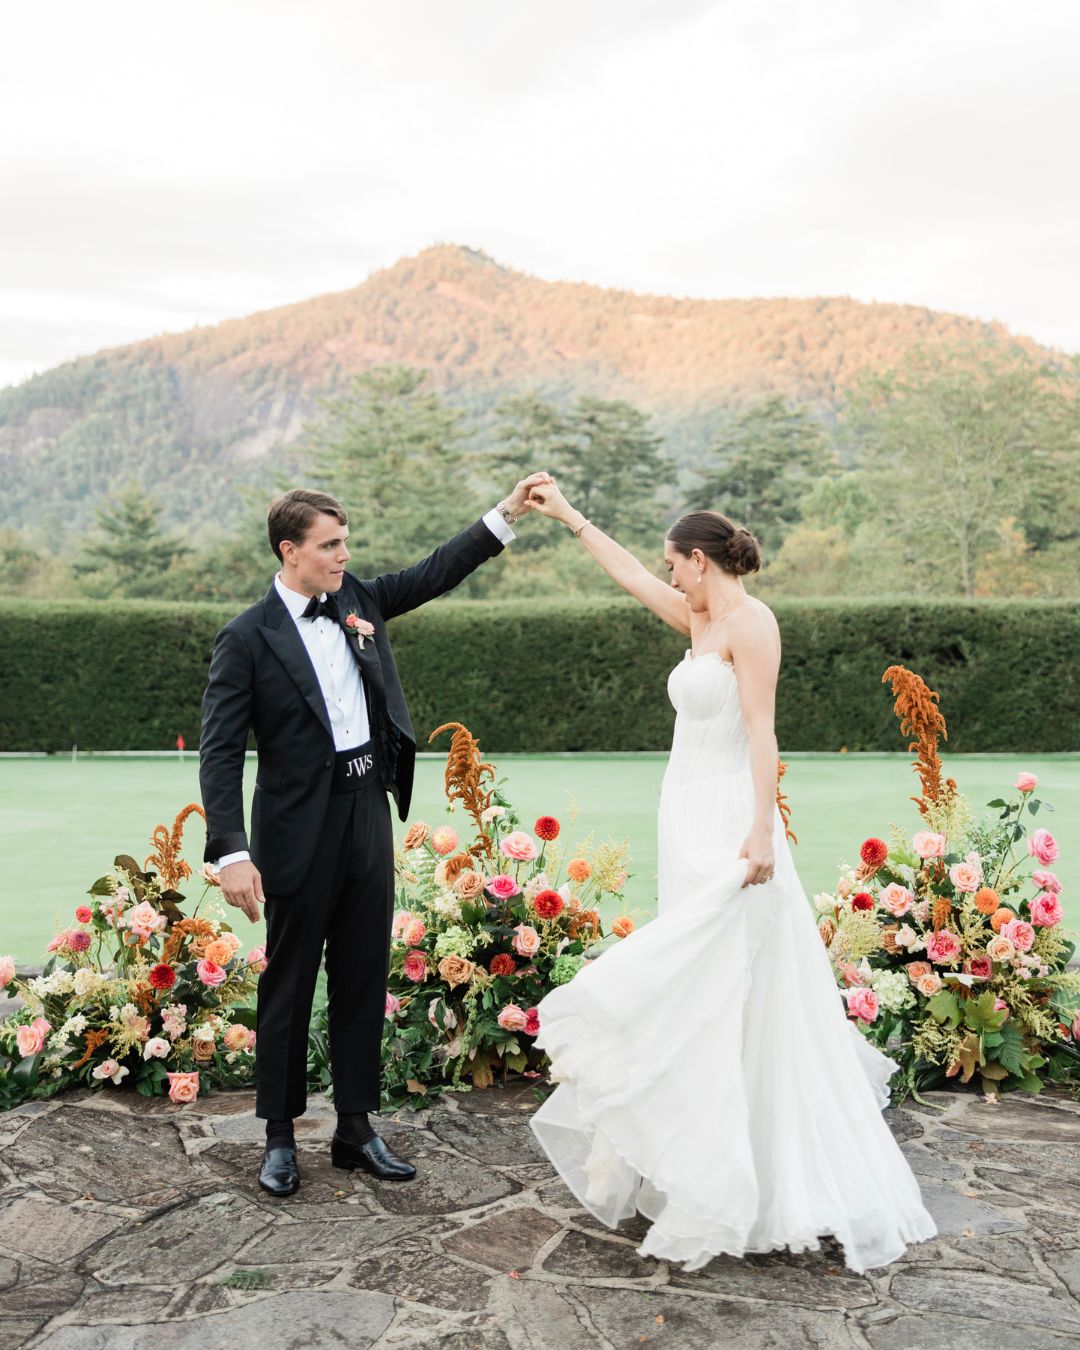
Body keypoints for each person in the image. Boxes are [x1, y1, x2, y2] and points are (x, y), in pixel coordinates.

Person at [523, 483, 937, 1274]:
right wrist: (572, 517)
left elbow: (760, 726)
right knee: (705, 980)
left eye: (675, 565)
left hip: (726, 817)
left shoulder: (752, 625)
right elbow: (630, 579)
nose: (668, 577)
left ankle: (755, 1172)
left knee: (729, 978)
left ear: (701, 562)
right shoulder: (703, 619)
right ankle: (704, 1151)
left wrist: (760, 826)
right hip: (682, 811)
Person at [199, 476, 551, 1197]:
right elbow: (220, 752)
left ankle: (356, 1128)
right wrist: (231, 850)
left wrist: (507, 512)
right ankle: (278, 1137)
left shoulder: (358, 600)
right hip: (297, 828)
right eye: (329, 546)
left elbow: (435, 571)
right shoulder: (246, 637)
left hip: (366, 809)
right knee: (290, 982)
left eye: (345, 542)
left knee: (361, 974)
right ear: (288, 550)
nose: (342, 555)